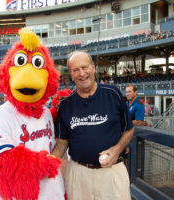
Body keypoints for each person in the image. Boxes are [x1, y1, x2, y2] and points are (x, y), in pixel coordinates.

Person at [51, 50, 134, 200]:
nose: (81, 73)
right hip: (78, 174)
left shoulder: (113, 94)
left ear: (93, 67)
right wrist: (47, 162)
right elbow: (63, 142)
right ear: (71, 73)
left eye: (85, 67)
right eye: (75, 70)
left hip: (112, 172)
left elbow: (129, 129)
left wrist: (117, 149)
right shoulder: (65, 105)